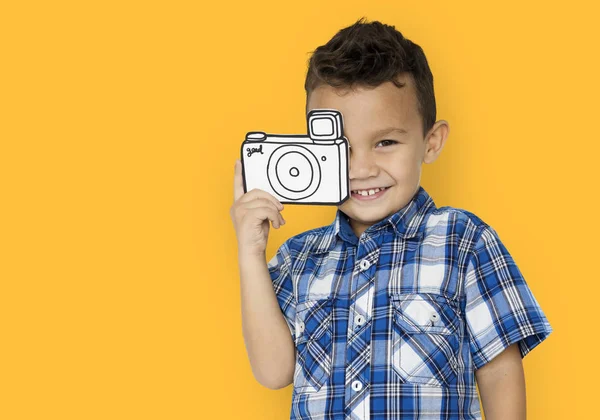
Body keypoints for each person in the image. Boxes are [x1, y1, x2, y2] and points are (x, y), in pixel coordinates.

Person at [230, 17, 553, 420]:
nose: (362, 168)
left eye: (385, 142)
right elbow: (273, 371)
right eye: (340, 146)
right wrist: (250, 250)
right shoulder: (299, 257)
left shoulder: (464, 240)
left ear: (430, 142)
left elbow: (500, 370)